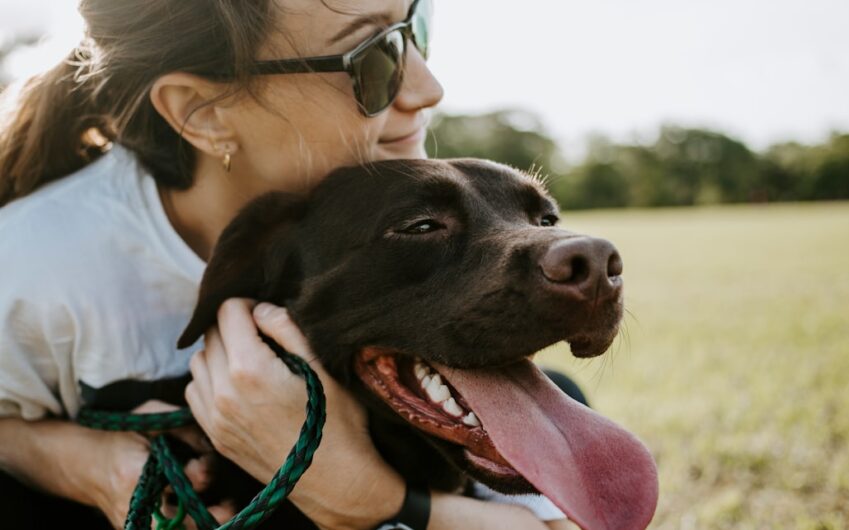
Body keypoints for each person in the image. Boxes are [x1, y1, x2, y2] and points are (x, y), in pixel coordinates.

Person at [0, 0, 579, 529]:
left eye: (415, 28)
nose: (428, 87)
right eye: (371, 57)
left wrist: (365, 495)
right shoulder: (33, 263)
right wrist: (83, 464)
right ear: (203, 112)